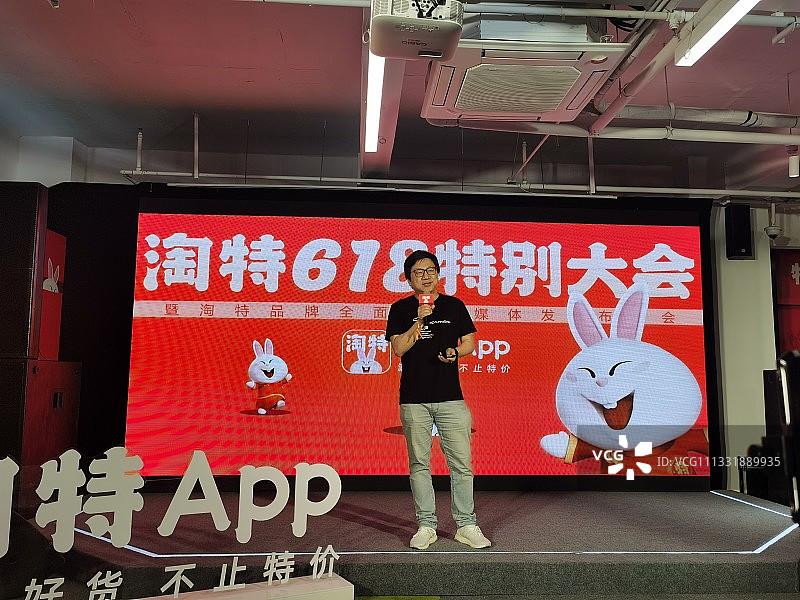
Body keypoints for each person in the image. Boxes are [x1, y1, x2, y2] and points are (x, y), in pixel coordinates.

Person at [385, 250, 491, 550]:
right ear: (408, 278)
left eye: (431, 270)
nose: (426, 276)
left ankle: (466, 525)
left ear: (438, 274)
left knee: (461, 464)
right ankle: (426, 525)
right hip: (413, 399)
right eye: (419, 272)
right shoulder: (400, 309)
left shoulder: (454, 306)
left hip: (450, 398)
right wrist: (418, 321)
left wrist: (456, 352)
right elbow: (398, 349)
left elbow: (469, 342)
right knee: (419, 464)